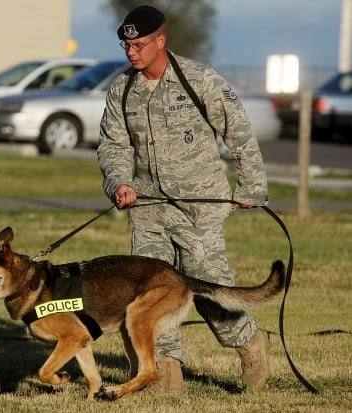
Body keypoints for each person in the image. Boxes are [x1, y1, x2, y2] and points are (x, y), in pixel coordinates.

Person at [97, 5, 271, 394]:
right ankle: (165, 375)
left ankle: (249, 343)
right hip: (146, 210)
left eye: (139, 44)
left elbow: (238, 132)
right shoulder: (121, 89)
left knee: (209, 291)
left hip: (199, 209)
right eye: (126, 44)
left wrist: (251, 189)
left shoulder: (198, 79)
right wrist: (120, 182)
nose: (131, 52)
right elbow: (113, 145)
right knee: (150, 298)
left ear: (161, 40)